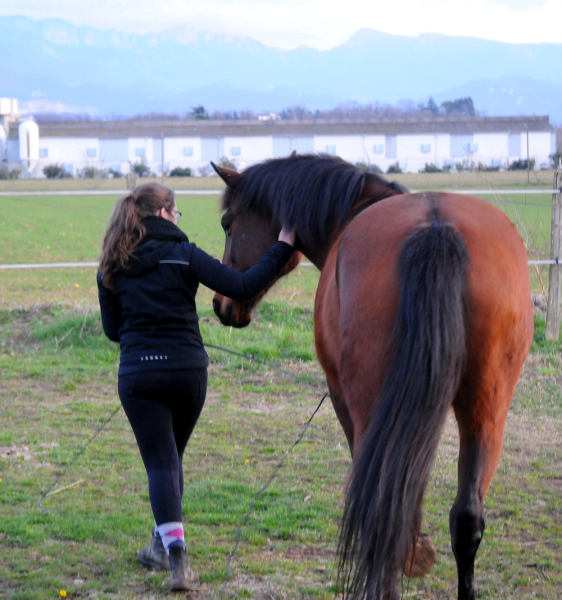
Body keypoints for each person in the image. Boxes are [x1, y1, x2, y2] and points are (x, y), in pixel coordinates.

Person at [97, 182, 295, 592]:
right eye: (177, 212)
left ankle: (176, 561)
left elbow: (114, 331)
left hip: (139, 375)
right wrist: (283, 246)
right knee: (171, 460)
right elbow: (241, 286)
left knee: (161, 464)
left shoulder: (111, 265)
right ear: (167, 213)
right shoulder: (184, 254)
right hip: (188, 372)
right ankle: (159, 544)